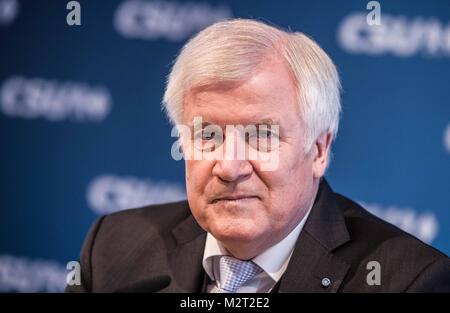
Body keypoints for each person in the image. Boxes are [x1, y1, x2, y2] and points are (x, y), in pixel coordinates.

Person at [67, 19, 450, 293]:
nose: (230, 167)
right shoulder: (112, 250)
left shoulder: (409, 281)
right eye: (208, 134)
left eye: (261, 135)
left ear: (319, 149)